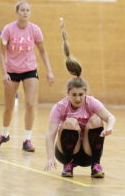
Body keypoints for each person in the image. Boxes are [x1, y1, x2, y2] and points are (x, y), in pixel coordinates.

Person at [44, 19, 115, 178]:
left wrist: (109, 127)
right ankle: (68, 165)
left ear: (86, 93)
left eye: (81, 95)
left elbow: (110, 117)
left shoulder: (91, 102)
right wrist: (49, 157)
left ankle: (96, 165)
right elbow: (50, 134)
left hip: (89, 153)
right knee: (70, 122)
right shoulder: (60, 107)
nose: (77, 98)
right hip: (66, 152)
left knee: (97, 120)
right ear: (68, 94)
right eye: (74, 95)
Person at [0, 0, 54, 152]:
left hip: (30, 70)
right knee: (9, 107)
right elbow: (1, 51)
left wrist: (49, 70)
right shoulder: (8, 29)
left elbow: (42, 51)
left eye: (27, 10)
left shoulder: (35, 30)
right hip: (12, 71)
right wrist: (4, 72)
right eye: (22, 10)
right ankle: (5, 134)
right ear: (16, 12)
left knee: (30, 104)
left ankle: (27, 139)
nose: (25, 12)